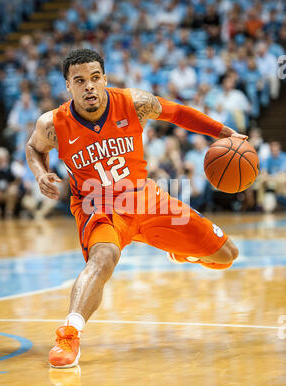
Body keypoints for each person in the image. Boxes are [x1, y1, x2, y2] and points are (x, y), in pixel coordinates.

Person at [26, 49, 247, 369]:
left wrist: (224, 133)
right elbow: (34, 148)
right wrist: (40, 173)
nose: (89, 86)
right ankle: (69, 334)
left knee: (227, 254)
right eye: (80, 81)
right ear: (68, 86)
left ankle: (182, 251)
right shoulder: (53, 123)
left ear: (104, 79)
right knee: (103, 259)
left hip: (145, 198)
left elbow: (178, 113)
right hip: (96, 205)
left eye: (95, 78)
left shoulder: (134, 103)